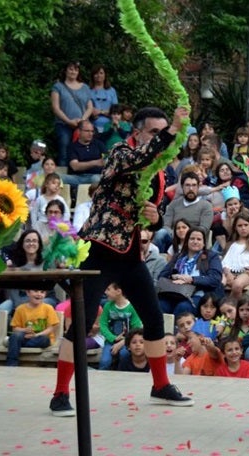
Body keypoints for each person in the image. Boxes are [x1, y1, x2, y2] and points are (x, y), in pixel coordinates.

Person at [48, 106, 194, 418]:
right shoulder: (118, 152)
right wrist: (172, 131)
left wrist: (154, 218)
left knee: (154, 319)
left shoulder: (157, 172)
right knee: (83, 321)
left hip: (129, 255)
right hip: (99, 250)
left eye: (162, 131)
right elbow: (140, 158)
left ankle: (160, 386)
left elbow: (148, 215)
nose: (159, 138)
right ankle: (60, 393)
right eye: (154, 132)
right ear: (137, 133)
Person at [158, 227, 223, 316]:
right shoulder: (178, 256)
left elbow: (215, 279)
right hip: (175, 292)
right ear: (187, 241)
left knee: (183, 307)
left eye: (199, 239)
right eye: (192, 239)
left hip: (198, 295)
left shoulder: (211, 257)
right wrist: (174, 276)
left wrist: (191, 279)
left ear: (204, 243)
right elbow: (162, 276)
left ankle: (177, 330)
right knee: (160, 305)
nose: (195, 241)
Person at [51, 61, 94, 166]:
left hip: (82, 126)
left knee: (83, 150)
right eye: (70, 69)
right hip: (63, 124)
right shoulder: (58, 86)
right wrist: (68, 121)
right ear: (65, 70)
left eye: (76, 69)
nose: (73, 71)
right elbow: (55, 108)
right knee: (64, 150)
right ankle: (62, 177)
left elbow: (90, 107)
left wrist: (82, 120)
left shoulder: (85, 87)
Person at [7, 289, 60, 367]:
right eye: (35, 291)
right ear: (28, 292)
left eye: (42, 292)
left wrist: (36, 335)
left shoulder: (48, 308)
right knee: (15, 336)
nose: (39, 294)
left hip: (40, 337)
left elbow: (51, 328)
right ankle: (11, 364)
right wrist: (24, 330)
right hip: (25, 336)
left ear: (45, 294)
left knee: (44, 339)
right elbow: (15, 328)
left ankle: (15, 344)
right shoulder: (20, 309)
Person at [98, 282, 143, 370]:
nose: (105, 292)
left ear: (118, 291)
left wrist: (123, 342)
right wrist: (113, 338)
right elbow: (102, 325)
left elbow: (136, 329)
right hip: (110, 341)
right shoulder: (108, 306)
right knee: (105, 361)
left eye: (108, 289)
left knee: (124, 355)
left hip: (127, 342)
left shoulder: (132, 307)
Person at [221, 213, 249, 300]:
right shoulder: (234, 245)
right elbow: (226, 263)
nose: (243, 228)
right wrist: (228, 274)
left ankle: (231, 308)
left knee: (237, 285)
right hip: (232, 273)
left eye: (246, 225)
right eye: (240, 226)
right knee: (219, 283)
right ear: (236, 228)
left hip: (248, 274)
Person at [63, 120, 107, 189]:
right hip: (77, 178)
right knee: (59, 178)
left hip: (95, 176)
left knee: (97, 179)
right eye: (87, 131)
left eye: (92, 131)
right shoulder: (72, 146)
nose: (90, 134)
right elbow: (75, 166)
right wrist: (95, 162)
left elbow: (107, 159)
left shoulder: (99, 144)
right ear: (79, 131)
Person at [89, 65, 119, 133]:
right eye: (96, 73)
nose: (98, 75)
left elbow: (115, 110)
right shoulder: (87, 90)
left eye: (101, 73)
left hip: (109, 126)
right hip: (92, 127)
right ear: (92, 75)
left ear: (105, 75)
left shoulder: (111, 90)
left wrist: (100, 112)